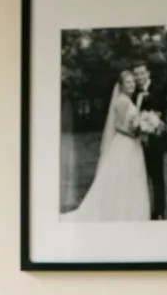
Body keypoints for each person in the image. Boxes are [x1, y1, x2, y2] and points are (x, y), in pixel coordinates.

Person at [64, 68, 151, 222]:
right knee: (124, 177)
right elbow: (119, 126)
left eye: (132, 81)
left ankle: (131, 211)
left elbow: (129, 122)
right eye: (128, 82)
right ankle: (121, 212)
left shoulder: (128, 99)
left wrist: (141, 127)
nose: (131, 84)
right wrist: (137, 133)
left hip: (131, 144)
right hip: (126, 144)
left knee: (130, 177)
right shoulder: (122, 101)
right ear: (121, 85)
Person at [132, 62, 167, 220]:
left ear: (148, 73)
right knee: (138, 175)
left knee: (157, 176)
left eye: (141, 73)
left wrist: (153, 124)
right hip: (136, 142)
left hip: (155, 142)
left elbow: (161, 114)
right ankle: (140, 208)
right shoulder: (133, 93)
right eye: (136, 74)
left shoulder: (158, 89)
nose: (139, 77)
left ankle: (159, 211)